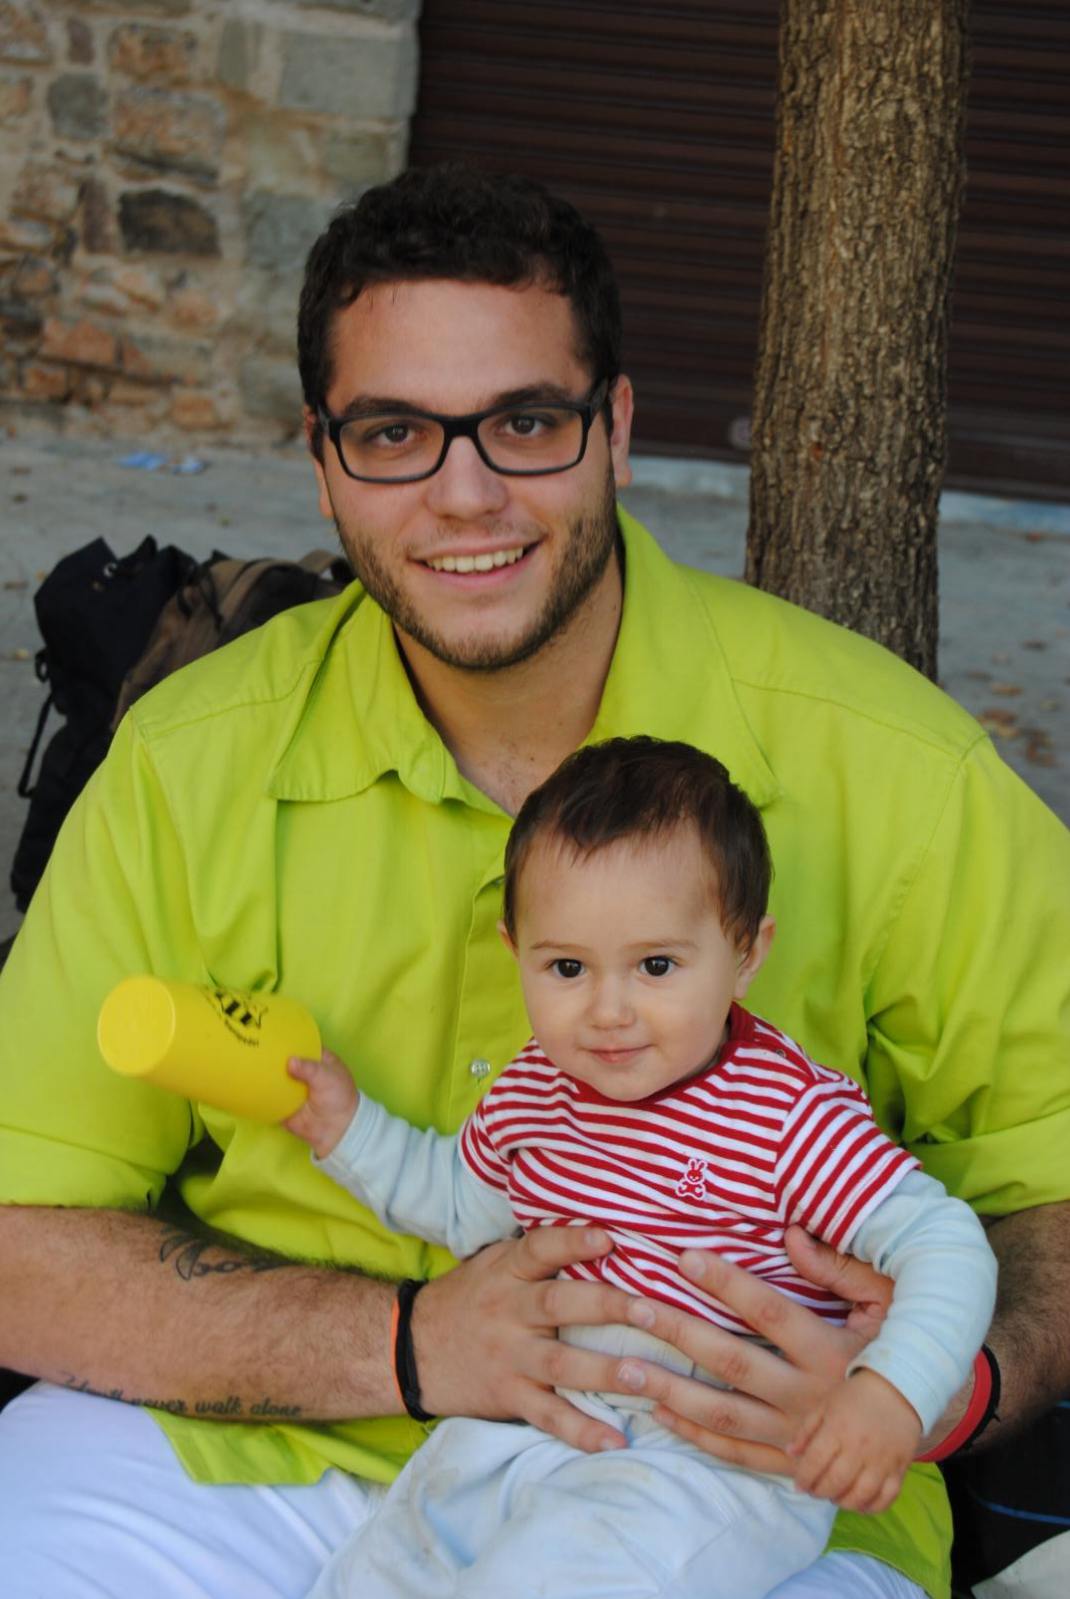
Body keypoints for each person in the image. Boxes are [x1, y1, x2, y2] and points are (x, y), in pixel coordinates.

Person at [0, 164, 1067, 1599]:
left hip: (742, 1475)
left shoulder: (891, 766)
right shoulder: (189, 759)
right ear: (320, 459)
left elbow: (1049, 1178)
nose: (465, 493)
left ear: (613, 429)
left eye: (523, 421)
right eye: (393, 431)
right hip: (250, 1435)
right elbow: (21, 1230)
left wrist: (938, 1385)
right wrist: (399, 1344)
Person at [282, 736, 997, 1599]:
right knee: (382, 1568)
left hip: (714, 1458)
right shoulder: (535, 1091)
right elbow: (457, 1204)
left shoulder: (784, 1116)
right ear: (516, 949)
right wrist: (347, 1128)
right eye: (567, 967)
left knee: (551, 1583)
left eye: (656, 965)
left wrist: (890, 1393)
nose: (609, 1010)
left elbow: (943, 1243)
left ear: (746, 953)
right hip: (543, 1415)